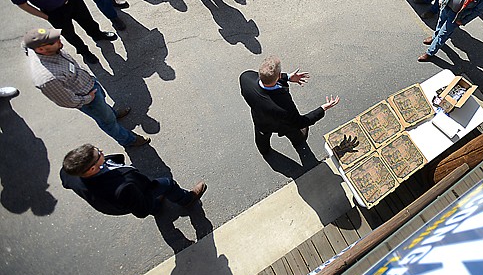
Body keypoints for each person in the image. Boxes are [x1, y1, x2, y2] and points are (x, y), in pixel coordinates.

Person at [23, 27, 149, 147]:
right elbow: (68, 101)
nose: (59, 40)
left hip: (89, 84)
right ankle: (128, 140)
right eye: (53, 41)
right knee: (107, 122)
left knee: (106, 110)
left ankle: (112, 113)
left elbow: (24, 45)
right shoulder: (48, 79)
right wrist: (88, 98)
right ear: (41, 50)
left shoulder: (40, 49)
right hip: (88, 99)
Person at [61, 144, 206, 217]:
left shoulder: (68, 172)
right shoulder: (122, 188)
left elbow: (66, 182)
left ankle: (157, 208)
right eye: (98, 154)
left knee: (149, 203)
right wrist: (146, 199)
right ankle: (186, 200)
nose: (102, 152)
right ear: (92, 169)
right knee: (168, 184)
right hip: (136, 195)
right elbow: (141, 211)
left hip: (124, 199)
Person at [239, 55, 340, 156]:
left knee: (262, 138)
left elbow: (265, 79)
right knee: (295, 132)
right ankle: (299, 142)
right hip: (282, 124)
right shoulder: (283, 106)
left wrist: (287, 77)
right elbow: (300, 122)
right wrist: (323, 109)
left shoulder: (245, 78)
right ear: (278, 76)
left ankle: (264, 151)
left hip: (260, 121)